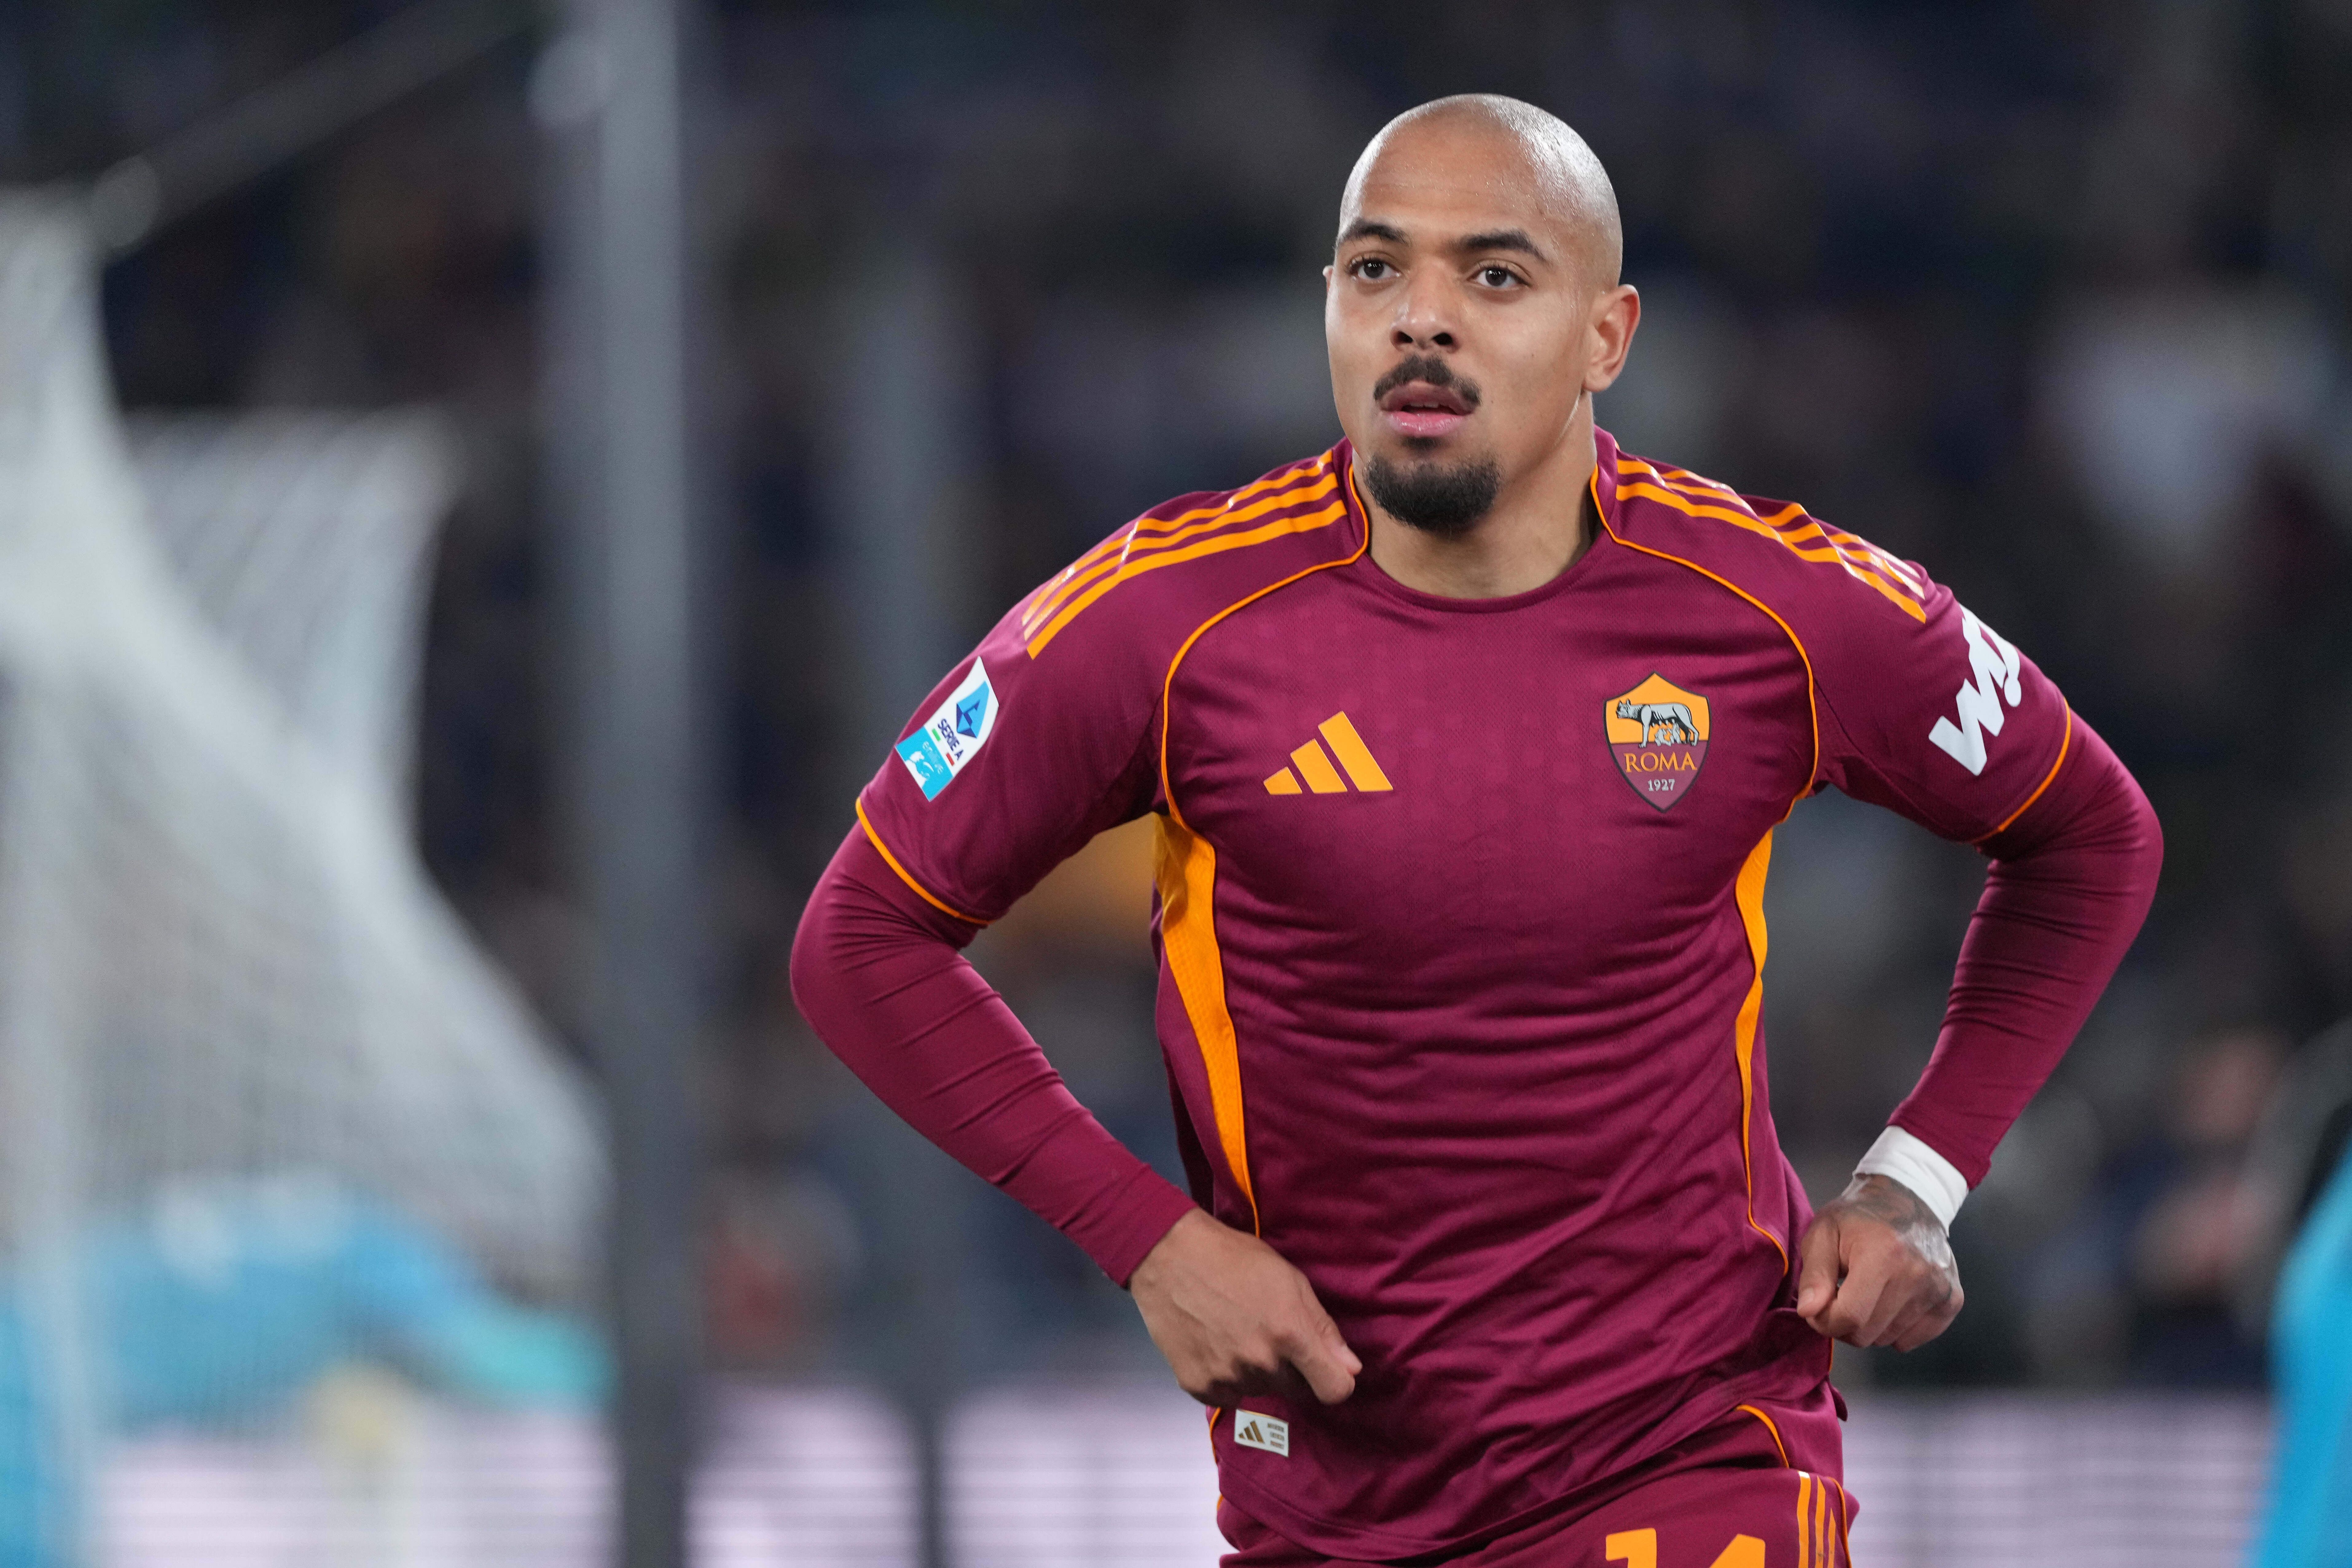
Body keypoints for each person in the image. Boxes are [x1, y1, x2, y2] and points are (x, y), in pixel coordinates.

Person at [792, 94, 2162, 1566]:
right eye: (1375, 270)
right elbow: (860, 936)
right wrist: (1151, 1242)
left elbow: (2091, 832)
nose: (1421, 318)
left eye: (1494, 275)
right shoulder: (1166, 620)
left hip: (1692, 1450)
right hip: (1330, 1494)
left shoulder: (1779, 606)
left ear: (1607, 337)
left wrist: (1920, 1176)